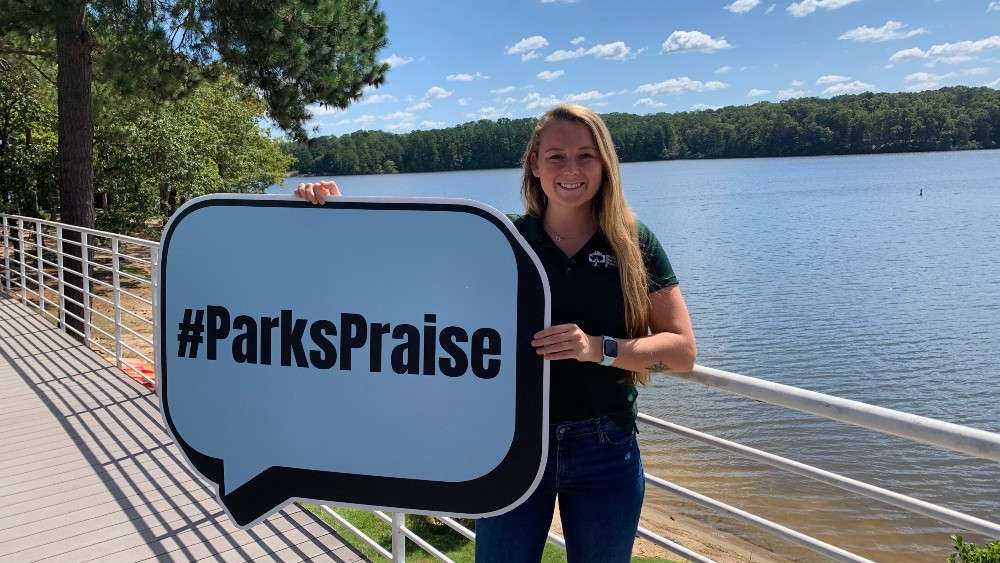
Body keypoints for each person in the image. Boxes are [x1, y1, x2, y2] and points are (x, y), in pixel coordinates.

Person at [294, 103, 696, 563]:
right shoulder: (503, 238)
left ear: (605, 163)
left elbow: (682, 351)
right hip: (512, 444)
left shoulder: (633, 241)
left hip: (605, 450)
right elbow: (406, 288)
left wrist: (596, 348)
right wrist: (334, 214)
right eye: (556, 156)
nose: (571, 169)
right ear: (534, 164)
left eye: (586, 155)